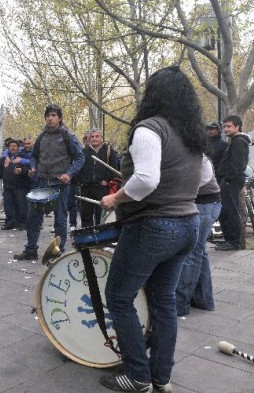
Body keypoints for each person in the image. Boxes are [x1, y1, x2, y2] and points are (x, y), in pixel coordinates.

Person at [99, 66, 207, 392]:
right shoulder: (192, 135)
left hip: (153, 226)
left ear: (153, 94)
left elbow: (146, 179)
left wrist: (115, 198)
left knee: (119, 297)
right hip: (189, 223)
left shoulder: (150, 129)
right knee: (164, 303)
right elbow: (203, 179)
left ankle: (138, 376)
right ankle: (161, 378)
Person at [13, 104, 84, 260]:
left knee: (60, 219)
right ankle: (31, 250)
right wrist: (32, 167)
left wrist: (69, 174)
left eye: (53, 115)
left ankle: (58, 252)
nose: (50, 118)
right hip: (42, 183)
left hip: (60, 184)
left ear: (59, 118)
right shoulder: (41, 137)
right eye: (48, 115)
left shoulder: (68, 136)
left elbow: (80, 158)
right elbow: (34, 156)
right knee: (33, 217)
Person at [176, 155, 221, 316]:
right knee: (199, 253)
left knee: (192, 252)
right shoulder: (186, 152)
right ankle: (204, 300)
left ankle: (180, 304)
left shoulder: (199, 156)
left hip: (205, 204)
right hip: (204, 204)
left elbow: (203, 178)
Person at [214, 115, 251, 251]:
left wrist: (228, 178)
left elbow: (237, 163)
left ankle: (233, 242)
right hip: (230, 180)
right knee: (226, 210)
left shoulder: (238, 141)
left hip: (232, 180)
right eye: (224, 127)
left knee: (230, 210)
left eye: (229, 126)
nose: (225, 129)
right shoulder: (235, 141)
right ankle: (230, 240)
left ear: (237, 127)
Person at [78, 128, 120, 228]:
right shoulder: (84, 152)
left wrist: (106, 180)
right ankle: (88, 238)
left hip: (102, 188)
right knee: (86, 215)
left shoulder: (109, 151)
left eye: (97, 136)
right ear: (89, 138)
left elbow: (114, 168)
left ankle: (100, 239)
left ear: (101, 138)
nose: (94, 139)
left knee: (101, 215)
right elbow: (78, 168)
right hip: (86, 188)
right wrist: (81, 181)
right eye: (92, 137)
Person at [0, 139, 29, 230]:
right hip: (8, 187)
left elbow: (29, 169)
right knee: (8, 207)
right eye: (11, 146)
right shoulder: (3, 160)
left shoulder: (22, 158)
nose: (12, 147)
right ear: (8, 148)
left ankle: (22, 224)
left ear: (18, 148)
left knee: (21, 206)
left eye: (14, 146)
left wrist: (21, 170)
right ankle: (9, 223)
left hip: (21, 187)